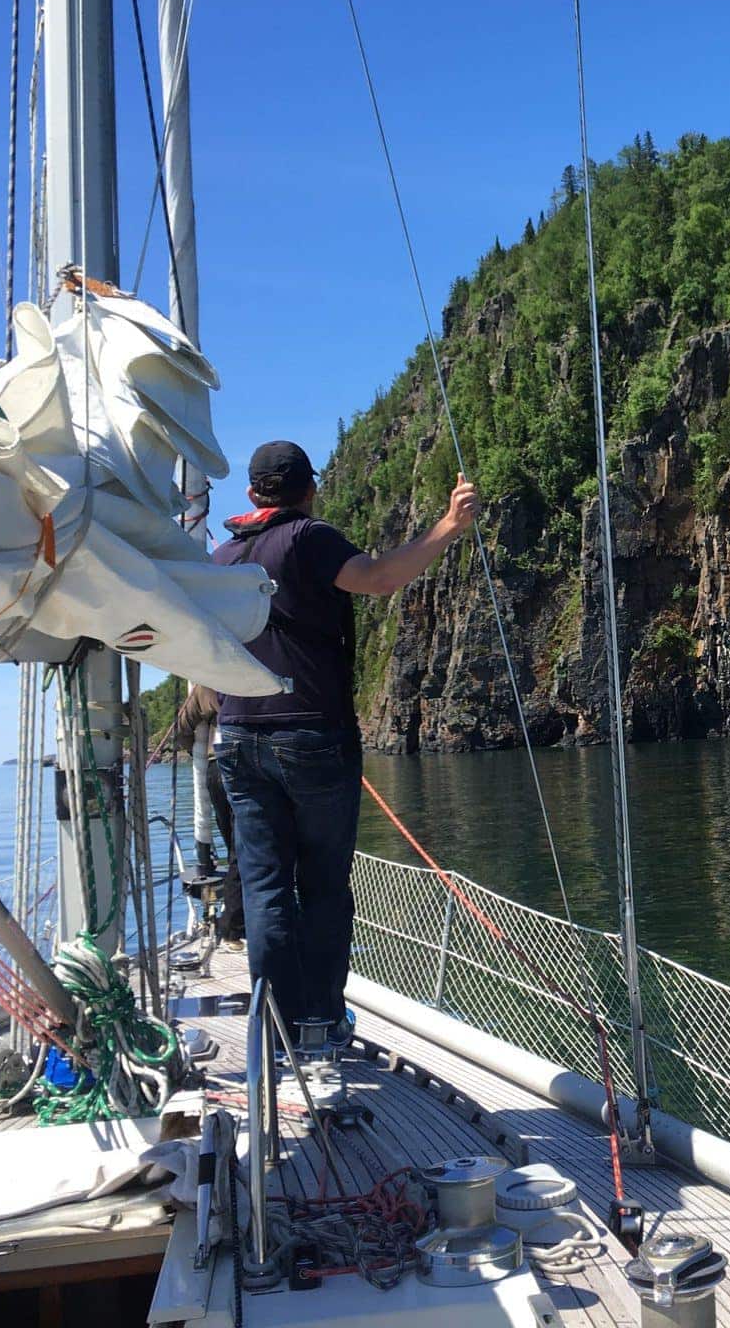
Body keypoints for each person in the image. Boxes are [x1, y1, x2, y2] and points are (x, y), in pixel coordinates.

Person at [211, 440, 477, 1044]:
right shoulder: (309, 538)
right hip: (310, 734)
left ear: (253, 495)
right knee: (324, 884)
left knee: (265, 886)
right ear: (310, 488)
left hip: (238, 737)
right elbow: (379, 579)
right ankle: (320, 1022)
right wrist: (450, 524)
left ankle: (274, 1027)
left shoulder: (222, 558)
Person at [152, 683, 244, 947]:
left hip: (217, 765)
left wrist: (197, 752)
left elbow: (183, 727)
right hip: (239, 765)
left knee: (237, 850)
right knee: (245, 851)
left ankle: (235, 924)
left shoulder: (211, 680)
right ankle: (234, 926)